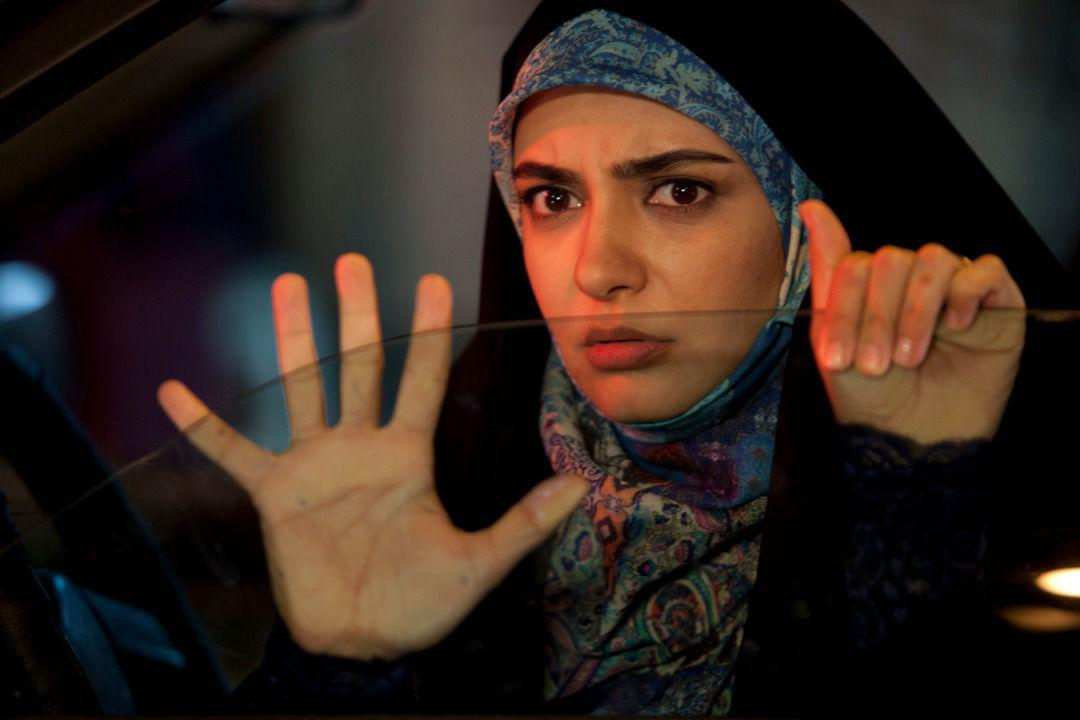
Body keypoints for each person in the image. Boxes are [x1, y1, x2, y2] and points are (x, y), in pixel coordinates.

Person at [158, 1, 1076, 715]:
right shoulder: (448, 492)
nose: (598, 269)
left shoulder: (970, 492)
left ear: (806, 221)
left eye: (679, 191)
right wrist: (336, 671)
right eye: (552, 199)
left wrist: (914, 497)